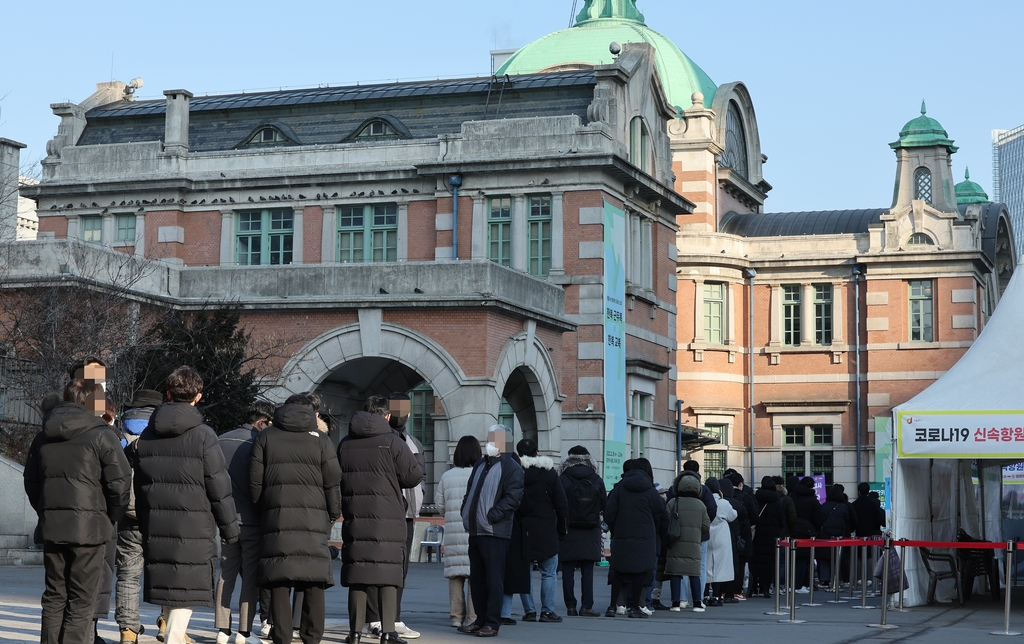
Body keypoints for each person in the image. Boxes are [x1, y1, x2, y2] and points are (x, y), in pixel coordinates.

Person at [133, 366, 239, 644]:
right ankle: (175, 636)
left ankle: (171, 631)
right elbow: (219, 487)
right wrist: (230, 530)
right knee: (186, 584)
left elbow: (139, 484)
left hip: (156, 522)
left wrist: (145, 521)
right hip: (193, 524)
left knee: (169, 581)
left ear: (167, 393)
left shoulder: (147, 435)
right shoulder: (203, 435)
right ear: (198, 397)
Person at [25, 379, 131, 644]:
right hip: (90, 529)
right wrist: (111, 517)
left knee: (54, 596)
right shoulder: (101, 434)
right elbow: (120, 483)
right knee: (82, 600)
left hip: (53, 526)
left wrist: (47, 510)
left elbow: (32, 482)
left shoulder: (43, 436)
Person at [250, 396, 341, 644]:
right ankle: (312, 637)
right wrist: (333, 513)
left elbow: (255, 483)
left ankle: (282, 637)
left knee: (279, 578)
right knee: (313, 578)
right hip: (314, 518)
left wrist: (264, 509)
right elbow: (332, 482)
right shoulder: (321, 440)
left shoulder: (265, 437)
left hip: (276, 516)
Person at [338, 395, 422, 644]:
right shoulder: (393, 443)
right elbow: (413, 477)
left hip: (355, 515)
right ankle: (388, 632)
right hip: (388, 517)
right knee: (388, 574)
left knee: (358, 575)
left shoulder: (345, 443)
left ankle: (354, 633)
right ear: (386, 416)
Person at [366, 392, 425, 641]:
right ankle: (373, 618)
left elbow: (419, 476)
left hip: (407, 514)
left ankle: (394, 616)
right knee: (374, 566)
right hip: (382, 511)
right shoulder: (380, 440)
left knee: (400, 567)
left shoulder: (413, 443)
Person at [214, 401, 274, 644]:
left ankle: (222, 629)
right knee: (250, 577)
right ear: (261, 422)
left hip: (226, 519)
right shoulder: (259, 443)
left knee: (225, 575)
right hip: (251, 520)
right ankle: (244, 631)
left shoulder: (220, 440)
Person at [458, 425, 525, 638]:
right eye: (488, 438)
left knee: (493, 579)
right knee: (476, 578)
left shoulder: (512, 467)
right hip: (476, 530)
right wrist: (466, 511)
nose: (489, 442)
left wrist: (490, 516)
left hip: (494, 531)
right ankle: (480, 619)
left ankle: (492, 622)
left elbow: (512, 499)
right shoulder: (480, 464)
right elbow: (470, 492)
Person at [114, 389, 162, 644]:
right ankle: (168, 623)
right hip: (161, 512)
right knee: (166, 570)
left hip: (127, 514)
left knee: (128, 573)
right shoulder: (165, 434)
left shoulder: (120, 435)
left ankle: (128, 630)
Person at [508, 438, 567, 623]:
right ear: (537, 452)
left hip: (520, 529)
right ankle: (548, 611)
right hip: (546, 529)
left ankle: (530, 611)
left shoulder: (513, 472)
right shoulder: (549, 474)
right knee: (549, 572)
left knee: (524, 573)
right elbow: (561, 503)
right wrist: (562, 528)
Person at [604, 458, 666, 619]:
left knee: (618, 570)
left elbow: (609, 514)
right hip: (644, 537)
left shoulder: (619, 489)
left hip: (621, 535)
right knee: (640, 572)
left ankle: (612, 606)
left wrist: (615, 529)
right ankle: (636, 607)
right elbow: (660, 510)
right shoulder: (650, 490)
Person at [434, 436, 481, 628]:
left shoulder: (447, 476)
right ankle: (472, 617)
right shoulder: (480, 474)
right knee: (474, 576)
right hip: (474, 531)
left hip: (453, 531)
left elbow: (440, 505)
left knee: (455, 576)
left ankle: (455, 617)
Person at [558, 446, 607, 617]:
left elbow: (558, 504)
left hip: (568, 529)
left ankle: (570, 606)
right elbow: (603, 504)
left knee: (568, 570)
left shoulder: (563, 478)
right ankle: (587, 606)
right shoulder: (596, 478)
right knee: (588, 569)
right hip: (590, 529)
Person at [665, 469, 710, 612]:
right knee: (694, 572)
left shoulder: (673, 502)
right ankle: (697, 603)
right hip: (694, 544)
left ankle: (675, 603)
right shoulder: (700, 505)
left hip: (675, 543)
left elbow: (665, 522)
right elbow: (706, 526)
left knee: (675, 572)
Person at [677, 461, 716, 606]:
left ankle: (682, 598)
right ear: (699, 472)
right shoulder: (704, 490)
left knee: (680, 566)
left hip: (679, 534)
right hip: (700, 534)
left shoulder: (673, 490)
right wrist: (704, 526)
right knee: (700, 566)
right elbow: (712, 510)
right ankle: (698, 599)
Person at [749, 477, 785, 598]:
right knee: (769, 563)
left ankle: (753, 587)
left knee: (756, 562)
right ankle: (765, 588)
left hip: (757, 535)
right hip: (772, 536)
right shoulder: (777, 501)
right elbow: (782, 520)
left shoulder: (756, 498)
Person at [704, 478, 737, 606]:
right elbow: (733, 515)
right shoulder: (723, 503)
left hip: (707, 535)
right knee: (719, 567)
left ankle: (705, 595)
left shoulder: (703, 501)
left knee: (705, 566)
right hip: (721, 537)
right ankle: (717, 596)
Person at [789, 477, 824, 593]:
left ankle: (797, 583)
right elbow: (819, 517)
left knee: (796, 559)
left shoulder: (792, 496)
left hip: (792, 530)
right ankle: (802, 584)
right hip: (807, 531)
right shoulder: (812, 500)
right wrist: (815, 529)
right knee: (805, 559)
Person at [718, 478, 749, 602]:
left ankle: (718, 592)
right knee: (732, 565)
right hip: (734, 537)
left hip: (718, 537)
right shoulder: (736, 503)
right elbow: (745, 520)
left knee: (718, 565)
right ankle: (730, 593)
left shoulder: (718, 502)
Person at [817, 484, 854, 587]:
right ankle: (837, 579)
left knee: (824, 558)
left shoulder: (824, 506)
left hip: (825, 535)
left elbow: (819, 520)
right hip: (840, 536)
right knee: (838, 557)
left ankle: (825, 579)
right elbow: (848, 521)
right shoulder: (843, 507)